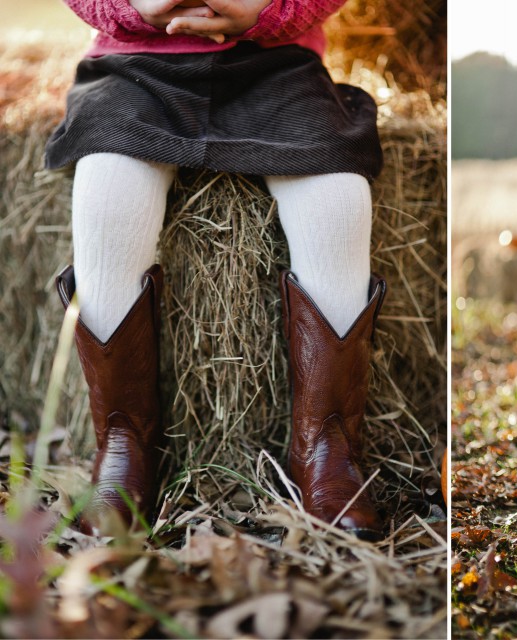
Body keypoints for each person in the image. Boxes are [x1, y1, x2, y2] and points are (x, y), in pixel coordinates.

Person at [46, 0, 387, 540]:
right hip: (133, 70)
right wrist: (137, 7)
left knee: (337, 195)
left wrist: (263, 11)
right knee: (107, 194)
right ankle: (123, 440)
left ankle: (327, 442)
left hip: (276, 69)